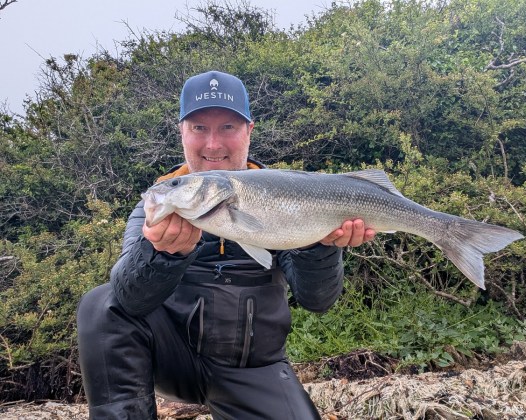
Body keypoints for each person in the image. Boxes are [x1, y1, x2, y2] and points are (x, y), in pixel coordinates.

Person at [77, 70, 376, 419]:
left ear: (249, 131)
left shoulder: (287, 196)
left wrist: (321, 247)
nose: (213, 144)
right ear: (182, 132)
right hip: (173, 359)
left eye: (228, 127)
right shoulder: (157, 204)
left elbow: (318, 300)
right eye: (199, 128)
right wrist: (162, 255)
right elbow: (128, 299)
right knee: (101, 303)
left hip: (254, 368)